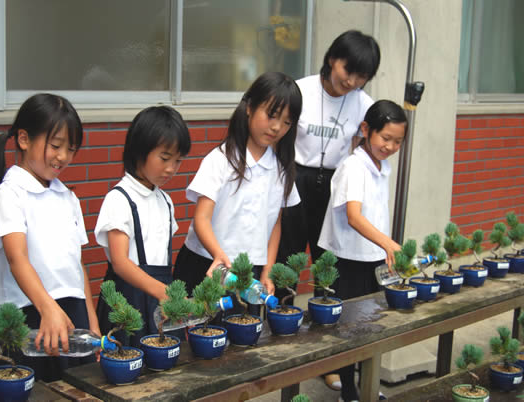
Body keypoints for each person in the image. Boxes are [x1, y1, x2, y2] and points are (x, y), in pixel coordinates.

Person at [276, 29, 381, 392]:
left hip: (335, 186)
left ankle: (329, 360)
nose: (350, 81)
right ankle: (282, 348)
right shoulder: (300, 91)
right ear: (332, 58)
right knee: (287, 264)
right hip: (297, 180)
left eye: (360, 76)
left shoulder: (363, 103)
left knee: (329, 269)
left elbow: (361, 150)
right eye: (346, 70)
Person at [0, 93, 98, 383]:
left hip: (71, 313)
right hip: (26, 316)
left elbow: (76, 264)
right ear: (23, 139)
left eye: (70, 149)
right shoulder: (9, 195)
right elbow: (16, 258)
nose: (63, 157)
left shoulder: (67, 196)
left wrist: (91, 321)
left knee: (78, 390)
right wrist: (48, 308)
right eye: (56, 146)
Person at [172, 71, 302, 315]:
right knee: (199, 339)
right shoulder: (220, 160)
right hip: (208, 264)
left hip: (249, 271)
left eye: (286, 122)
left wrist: (267, 269)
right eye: (271, 115)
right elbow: (201, 219)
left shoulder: (282, 170)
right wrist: (219, 256)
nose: (277, 127)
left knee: (243, 340)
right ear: (250, 107)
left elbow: (274, 224)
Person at [318, 100, 408, 402]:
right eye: (386, 138)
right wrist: (388, 243)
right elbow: (354, 216)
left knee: (370, 323)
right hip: (347, 258)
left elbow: (378, 214)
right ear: (367, 130)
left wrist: (384, 248)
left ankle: (365, 383)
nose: (390, 146)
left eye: (397, 141)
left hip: (372, 257)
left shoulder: (383, 166)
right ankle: (350, 390)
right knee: (348, 327)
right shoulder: (352, 167)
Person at [94, 106, 191, 346]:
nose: (171, 169)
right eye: (165, 158)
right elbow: (120, 262)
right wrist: (162, 292)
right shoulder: (120, 198)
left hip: (163, 298)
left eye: (177, 161)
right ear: (140, 151)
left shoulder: (165, 201)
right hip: (128, 299)